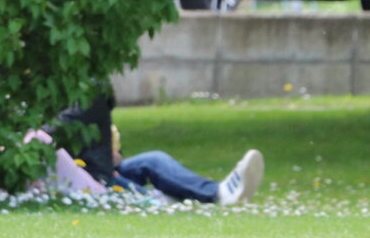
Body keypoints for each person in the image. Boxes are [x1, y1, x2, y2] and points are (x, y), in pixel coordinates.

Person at [40, 87, 265, 205]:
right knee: (150, 198)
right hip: (90, 178)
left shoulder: (86, 94)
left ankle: (216, 191)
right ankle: (206, 195)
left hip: (102, 168)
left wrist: (114, 155)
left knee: (154, 159)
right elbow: (50, 136)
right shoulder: (60, 103)